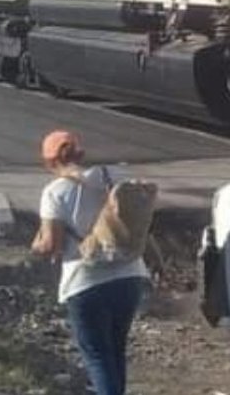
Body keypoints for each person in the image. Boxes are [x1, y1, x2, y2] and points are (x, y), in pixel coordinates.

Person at [31, 130, 150, 395]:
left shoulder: (54, 192)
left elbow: (51, 245)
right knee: (115, 350)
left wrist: (35, 246)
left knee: (97, 356)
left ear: (49, 162)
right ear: (81, 154)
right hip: (130, 276)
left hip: (85, 282)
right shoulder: (114, 175)